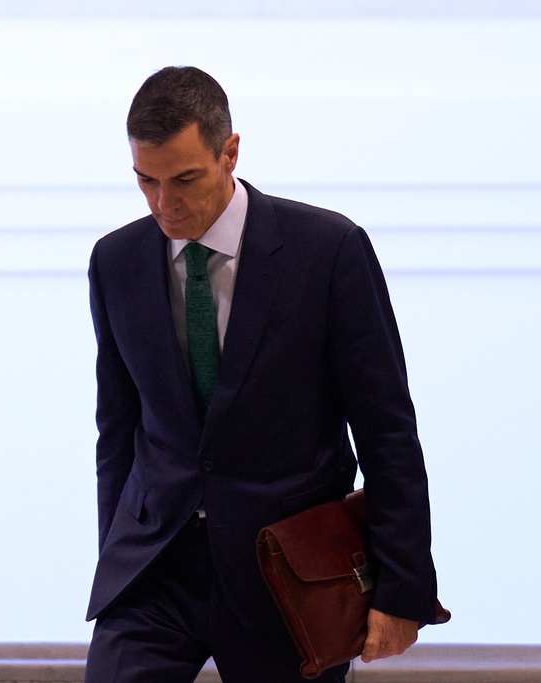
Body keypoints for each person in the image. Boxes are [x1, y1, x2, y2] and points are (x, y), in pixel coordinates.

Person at [84, 66, 440, 682]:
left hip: (287, 570)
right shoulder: (115, 261)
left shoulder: (327, 250)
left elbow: (386, 431)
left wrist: (402, 586)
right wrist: (114, 561)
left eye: (185, 178)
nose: (165, 204)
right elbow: (117, 431)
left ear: (230, 152)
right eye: (146, 181)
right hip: (157, 568)